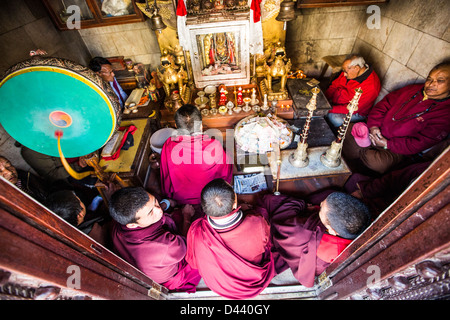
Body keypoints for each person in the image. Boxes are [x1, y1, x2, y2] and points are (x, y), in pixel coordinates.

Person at [342, 61, 450, 175]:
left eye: (440, 80)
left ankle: (360, 151)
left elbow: (419, 143)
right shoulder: (413, 90)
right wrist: (373, 126)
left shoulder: (445, 114)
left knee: (379, 163)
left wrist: (387, 144)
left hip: (394, 148)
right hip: (374, 131)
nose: (431, 84)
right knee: (347, 130)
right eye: (429, 79)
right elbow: (383, 105)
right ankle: (361, 150)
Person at [185, 179, 275, 299]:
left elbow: (193, 263)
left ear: (203, 208)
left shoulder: (196, 231)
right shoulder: (256, 222)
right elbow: (268, 243)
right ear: (234, 204)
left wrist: (186, 217)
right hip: (255, 283)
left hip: (219, 287)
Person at [266, 191, 371, 287]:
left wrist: (302, 205)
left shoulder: (304, 235)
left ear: (332, 231)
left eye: (321, 208)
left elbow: (280, 224)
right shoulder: (364, 222)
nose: (320, 204)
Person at [109, 187, 201, 292]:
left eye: (155, 202)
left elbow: (150, 211)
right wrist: (187, 216)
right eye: (150, 213)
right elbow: (187, 243)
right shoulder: (165, 247)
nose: (159, 210)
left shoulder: (118, 224)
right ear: (132, 225)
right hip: (175, 271)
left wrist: (164, 204)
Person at [159, 104, 233, 206]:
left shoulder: (169, 145)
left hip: (182, 199)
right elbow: (224, 173)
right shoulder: (214, 145)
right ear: (201, 126)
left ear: (176, 127)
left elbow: (166, 176)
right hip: (210, 197)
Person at [325, 54, 381, 127]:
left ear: (356, 68)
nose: (344, 74)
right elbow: (334, 85)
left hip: (354, 112)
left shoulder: (371, 86)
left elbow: (353, 109)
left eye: (346, 72)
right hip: (336, 102)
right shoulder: (350, 71)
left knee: (334, 118)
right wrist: (324, 100)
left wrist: (328, 109)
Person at [45, 190, 112, 247]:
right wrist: (111, 199)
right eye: (79, 200)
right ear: (80, 215)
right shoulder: (98, 231)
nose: (81, 200)